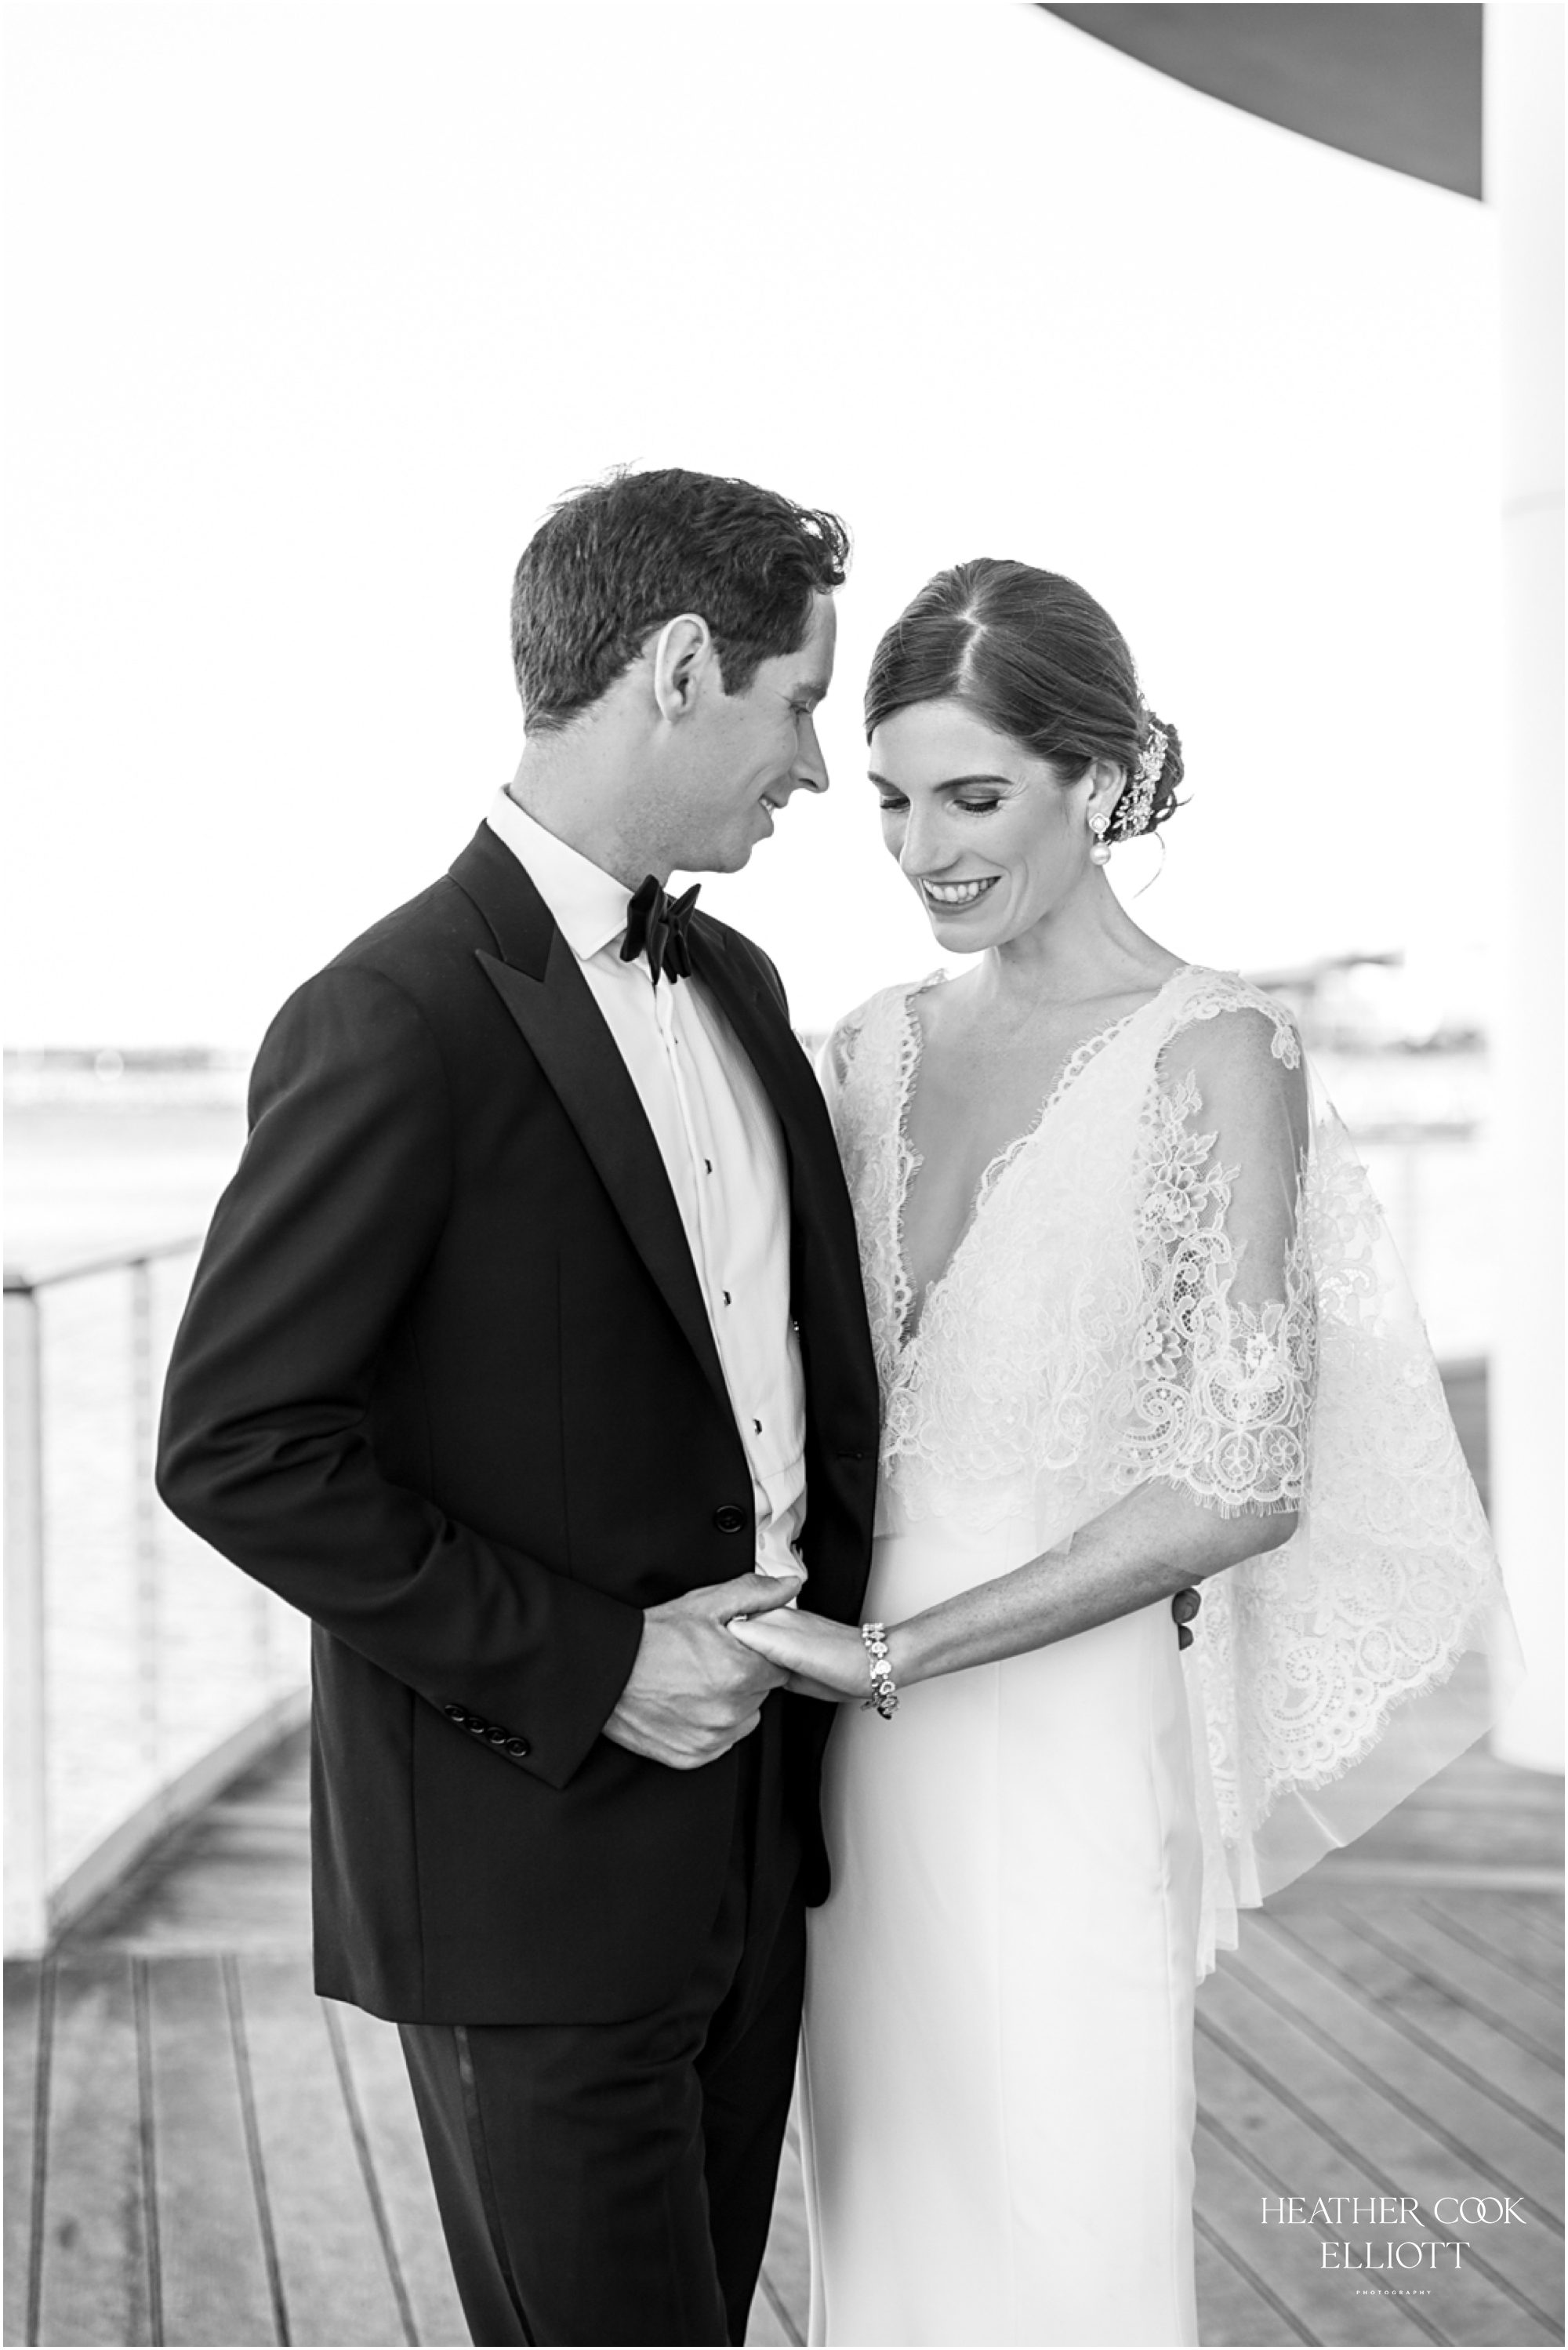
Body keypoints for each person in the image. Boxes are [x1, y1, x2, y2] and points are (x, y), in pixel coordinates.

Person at [731, 558, 1520, 2347]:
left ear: (1094, 782)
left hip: (1052, 1727)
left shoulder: (1215, 1052)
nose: (925, 847)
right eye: (892, 801)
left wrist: (896, 1652)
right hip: (847, 1754)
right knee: (893, 2216)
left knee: (1064, 2217)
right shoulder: (863, 1048)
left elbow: (1242, 1479)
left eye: (974, 796)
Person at [156, 467, 884, 2348]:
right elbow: (236, 1441)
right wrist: (594, 1661)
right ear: (676, 664)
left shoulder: (737, 977)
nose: (810, 768)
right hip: (527, 1866)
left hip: (753, 1839)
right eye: (796, 702)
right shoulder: (390, 1014)